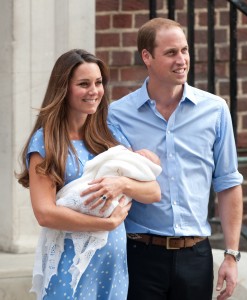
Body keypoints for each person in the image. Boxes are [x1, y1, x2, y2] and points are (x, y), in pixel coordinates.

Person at [108, 18, 243, 300]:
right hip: (138, 255)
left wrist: (231, 255)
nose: (181, 60)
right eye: (171, 53)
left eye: (184, 50)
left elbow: (228, 184)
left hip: (196, 257)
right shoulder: (117, 115)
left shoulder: (215, 110)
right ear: (147, 56)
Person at [16, 49, 161, 300]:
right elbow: (44, 213)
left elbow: (153, 190)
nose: (94, 91)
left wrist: (122, 183)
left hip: (112, 264)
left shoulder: (110, 134)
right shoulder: (47, 142)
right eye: (83, 84)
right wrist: (106, 224)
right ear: (64, 89)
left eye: (98, 82)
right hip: (69, 265)